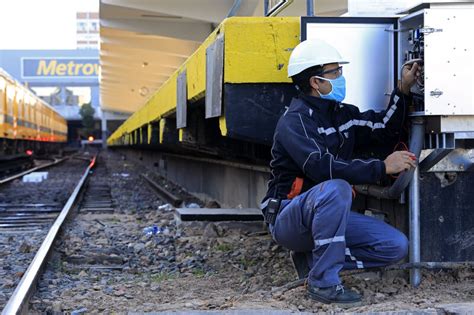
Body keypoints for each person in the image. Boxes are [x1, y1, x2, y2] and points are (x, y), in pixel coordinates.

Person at [261, 39, 420, 306]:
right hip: (289, 217)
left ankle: (312, 259)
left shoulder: (342, 114)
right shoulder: (294, 122)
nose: (341, 77)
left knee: (395, 245)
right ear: (315, 81)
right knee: (336, 187)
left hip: (327, 215)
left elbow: (383, 129)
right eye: (335, 72)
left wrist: (402, 90)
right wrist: (381, 167)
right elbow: (321, 167)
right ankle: (323, 284)